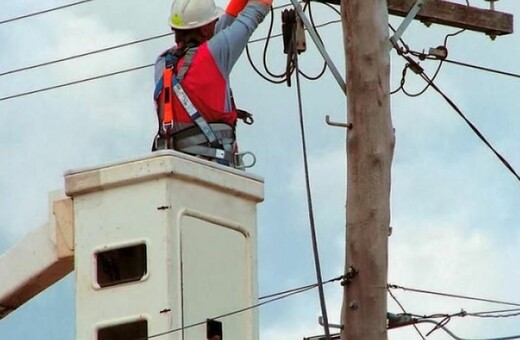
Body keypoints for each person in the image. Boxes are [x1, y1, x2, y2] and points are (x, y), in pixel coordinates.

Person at [152, 0, 272, 168]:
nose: (218, 23)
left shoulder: (163, 63)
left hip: (177, 165)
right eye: (214, 21)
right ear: (205, 29)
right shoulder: (214, 54)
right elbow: (253, 15)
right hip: (215, 167)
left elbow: (222, 29)